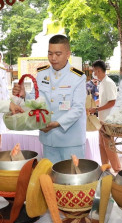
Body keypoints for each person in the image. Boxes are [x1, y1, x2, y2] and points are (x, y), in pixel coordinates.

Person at [12, 34, 87, 164]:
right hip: (48, 140)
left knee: (73, 179)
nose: (53, 58)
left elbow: (78, 108)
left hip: (70, 141)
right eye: (50, 53)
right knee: (49, 179)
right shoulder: (42, 74)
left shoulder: (78, 77)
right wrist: (25, 95)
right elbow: (37, 101)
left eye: (58, 54)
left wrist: (56, 123)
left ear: (68, 54)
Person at [88, 60, 120, 172]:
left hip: (108, 120)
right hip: (101, 120)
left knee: (109, 145)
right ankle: (105, 168)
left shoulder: (108, 83)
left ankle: (117, 169)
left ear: (98, 70)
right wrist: (93, 105)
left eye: (94, 71)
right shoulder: (102, 83)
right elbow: (103, 101)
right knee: (102, 145)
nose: (93, 73)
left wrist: (96, 109)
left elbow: (112, 102)